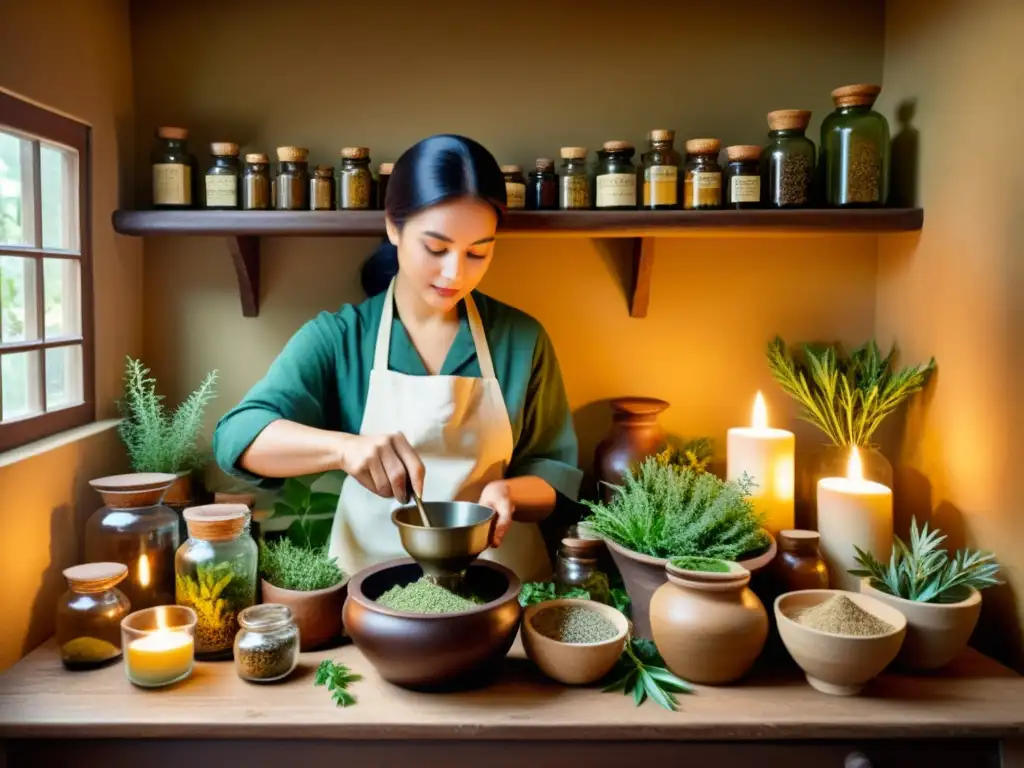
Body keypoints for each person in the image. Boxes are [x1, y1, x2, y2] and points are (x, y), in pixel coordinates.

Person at [212, 134, 582, 581]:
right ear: (393, 226)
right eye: (436, 248)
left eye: (478, 252)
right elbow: (237, 437)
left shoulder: (521, 339)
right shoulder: (341, 338)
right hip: (371, 592)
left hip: (496, 587)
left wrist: (511, 493)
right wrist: (344, 449)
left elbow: (554, 472)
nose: (455, 273)